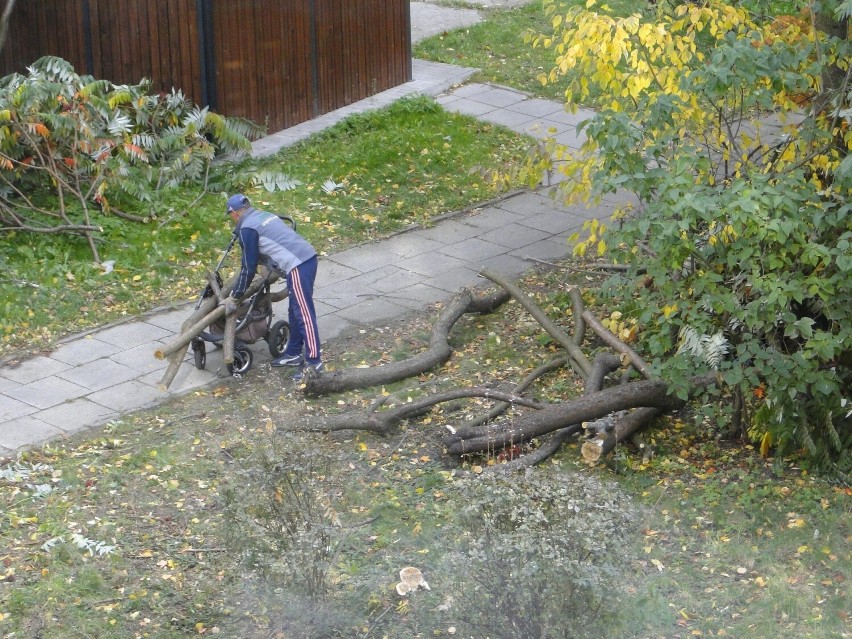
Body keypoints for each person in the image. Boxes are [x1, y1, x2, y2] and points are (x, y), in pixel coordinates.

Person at [224, 193, 323, 380]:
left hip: (298, 264)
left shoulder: (247, 228)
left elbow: (248, 267)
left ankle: (314, 362)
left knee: (304, 315)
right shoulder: (262, 215)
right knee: (296, 310)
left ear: (235, 213)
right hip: (306, 257)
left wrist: (236, 295)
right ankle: (294, 352)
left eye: (230, 216)